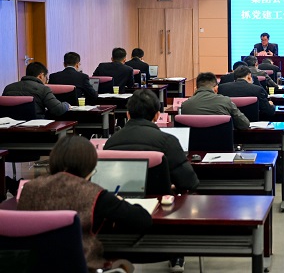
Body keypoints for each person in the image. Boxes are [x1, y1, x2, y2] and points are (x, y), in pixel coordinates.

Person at [18, 135, 152, 272]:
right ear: (89, 166)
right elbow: (143, 220)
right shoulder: (95, 193)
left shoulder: (30, 188)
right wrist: (119, 201)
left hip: (32, 265)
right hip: (82, 265)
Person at [104, 89, 199, 192]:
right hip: (159, 200)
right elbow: (189, 183)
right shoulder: (168, 141)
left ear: (128, 115)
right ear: (157, 116)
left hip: (121, 200)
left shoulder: (111, 142)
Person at [180, 72, 250, 129]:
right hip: (222, 142)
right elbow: (244, 124)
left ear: (195, 89)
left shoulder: (185, 105)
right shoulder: (226, 101)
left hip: (194, 142)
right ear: (216, 89)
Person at [2, 61, 69, 118]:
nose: (46, 81)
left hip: (10, 126)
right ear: (41, 76)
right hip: (36, 126)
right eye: (46, 78)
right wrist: (66, 105)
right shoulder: (43, 89)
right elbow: (58, 109)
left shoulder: (8, 88)